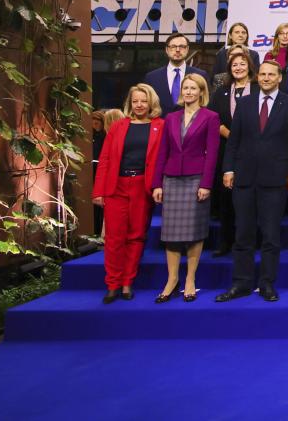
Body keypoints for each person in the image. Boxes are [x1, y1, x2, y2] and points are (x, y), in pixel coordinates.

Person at [217, 60, 288, 303]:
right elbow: (234, 141)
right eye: (262, 74)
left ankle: (267, 283)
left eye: (271, 74)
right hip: (244, 178)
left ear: (279, 78)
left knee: (270, 236)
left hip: (275, 179)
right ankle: (242, 283)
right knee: (243, 234)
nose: (266, 78)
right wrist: (228, 169)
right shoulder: (244, 103)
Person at [151, 73, 221, 303]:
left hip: (196, 179)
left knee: (193, 233)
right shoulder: (171, 117)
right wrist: (157, 184)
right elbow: (162, 152)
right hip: (171, 179)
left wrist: (206, 184)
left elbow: (212, 154)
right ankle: (172, 279)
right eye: (186, 88)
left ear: (202, 92)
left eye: (194, 88)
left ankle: (190, 278)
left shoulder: (211, 117)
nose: (189, 92)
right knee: (171, 234)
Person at [93, 85, 164, 303]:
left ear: (151, 103)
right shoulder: (118, 126)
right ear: (130, 103)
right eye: (135, 101)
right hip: (117, 187)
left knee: (136, 236)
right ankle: (112, 284)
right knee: (114, 238)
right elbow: (104, 159)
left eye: (144, 101)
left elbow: (162, 159)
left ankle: (127, 282)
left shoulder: (159, 126)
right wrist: (99, 191)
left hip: (142, 187)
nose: (140, 105)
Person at [209, 49, 255, 256]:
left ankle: (248, 241)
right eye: (235, 65)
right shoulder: (221, 92)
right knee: (226, 200)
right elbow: (213, 118)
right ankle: (225, 243)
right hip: (226, 149)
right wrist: (229, 134)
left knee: (249, 200)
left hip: (252, 151)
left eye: (242, 64)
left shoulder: (257, 90)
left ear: (249, 67)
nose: (238, 68)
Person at [144, 33, 211, 116]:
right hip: (161, 125)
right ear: (167, 50)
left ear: (187, 49)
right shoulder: (152, 77)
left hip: (192, 125)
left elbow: (206, 103)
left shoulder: (201, 75)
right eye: (173, 47)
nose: (178, 50)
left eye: (182, 46)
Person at [213, 22, 260, 87]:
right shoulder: (221, 54)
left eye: (243, 33)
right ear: (230, 35)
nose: (240, 35)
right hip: (225, 88)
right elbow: (215, 76)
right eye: (237, 32)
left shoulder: (254, 54)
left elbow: (256, 75)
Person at [90, 109, 107, 234]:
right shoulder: (91, 137)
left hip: (100, 169)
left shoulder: (105, 136)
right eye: (93, 123)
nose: (95, 125)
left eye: (97, 123)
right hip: (92, 169)